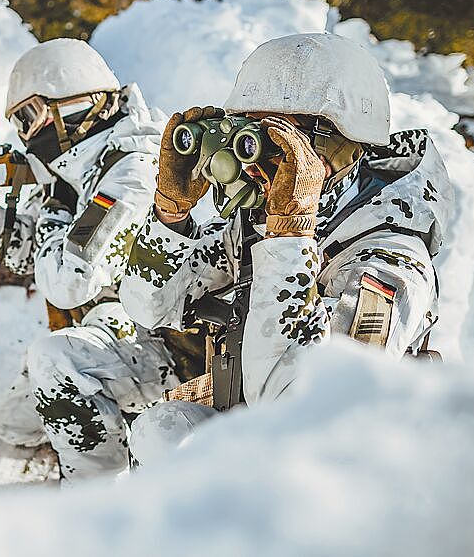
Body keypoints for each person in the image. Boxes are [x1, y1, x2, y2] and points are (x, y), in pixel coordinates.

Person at [119, 32, 455, 463]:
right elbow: (149, 305)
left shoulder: (390, 262)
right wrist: (171, 215)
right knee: (162, 432)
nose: (257, 165)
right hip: (274, 443)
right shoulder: (257, 224)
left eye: (278, 143)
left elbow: (299, 406)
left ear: (338, 145)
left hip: (353, 478)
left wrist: (290, 232)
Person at [0, 38, 180, 482]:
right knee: (12, 424)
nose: (26, 134)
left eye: (29, 117)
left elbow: (69, 280)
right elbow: (37, 252)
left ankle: (97, 501)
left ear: (74, 104)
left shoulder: (133, 171)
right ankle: (111, 414)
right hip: (113, 326)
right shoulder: (78, 168)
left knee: (55, 360)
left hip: (165, 342)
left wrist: (55, 206)